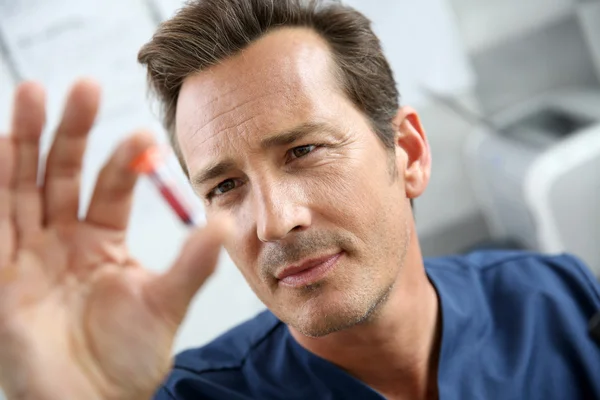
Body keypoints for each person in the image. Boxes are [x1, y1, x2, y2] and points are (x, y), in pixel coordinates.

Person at [0, 0, 599, 399]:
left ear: (408, 154)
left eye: (304, 151)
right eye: (226, 186)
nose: (275, 221)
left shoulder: (557, 301)